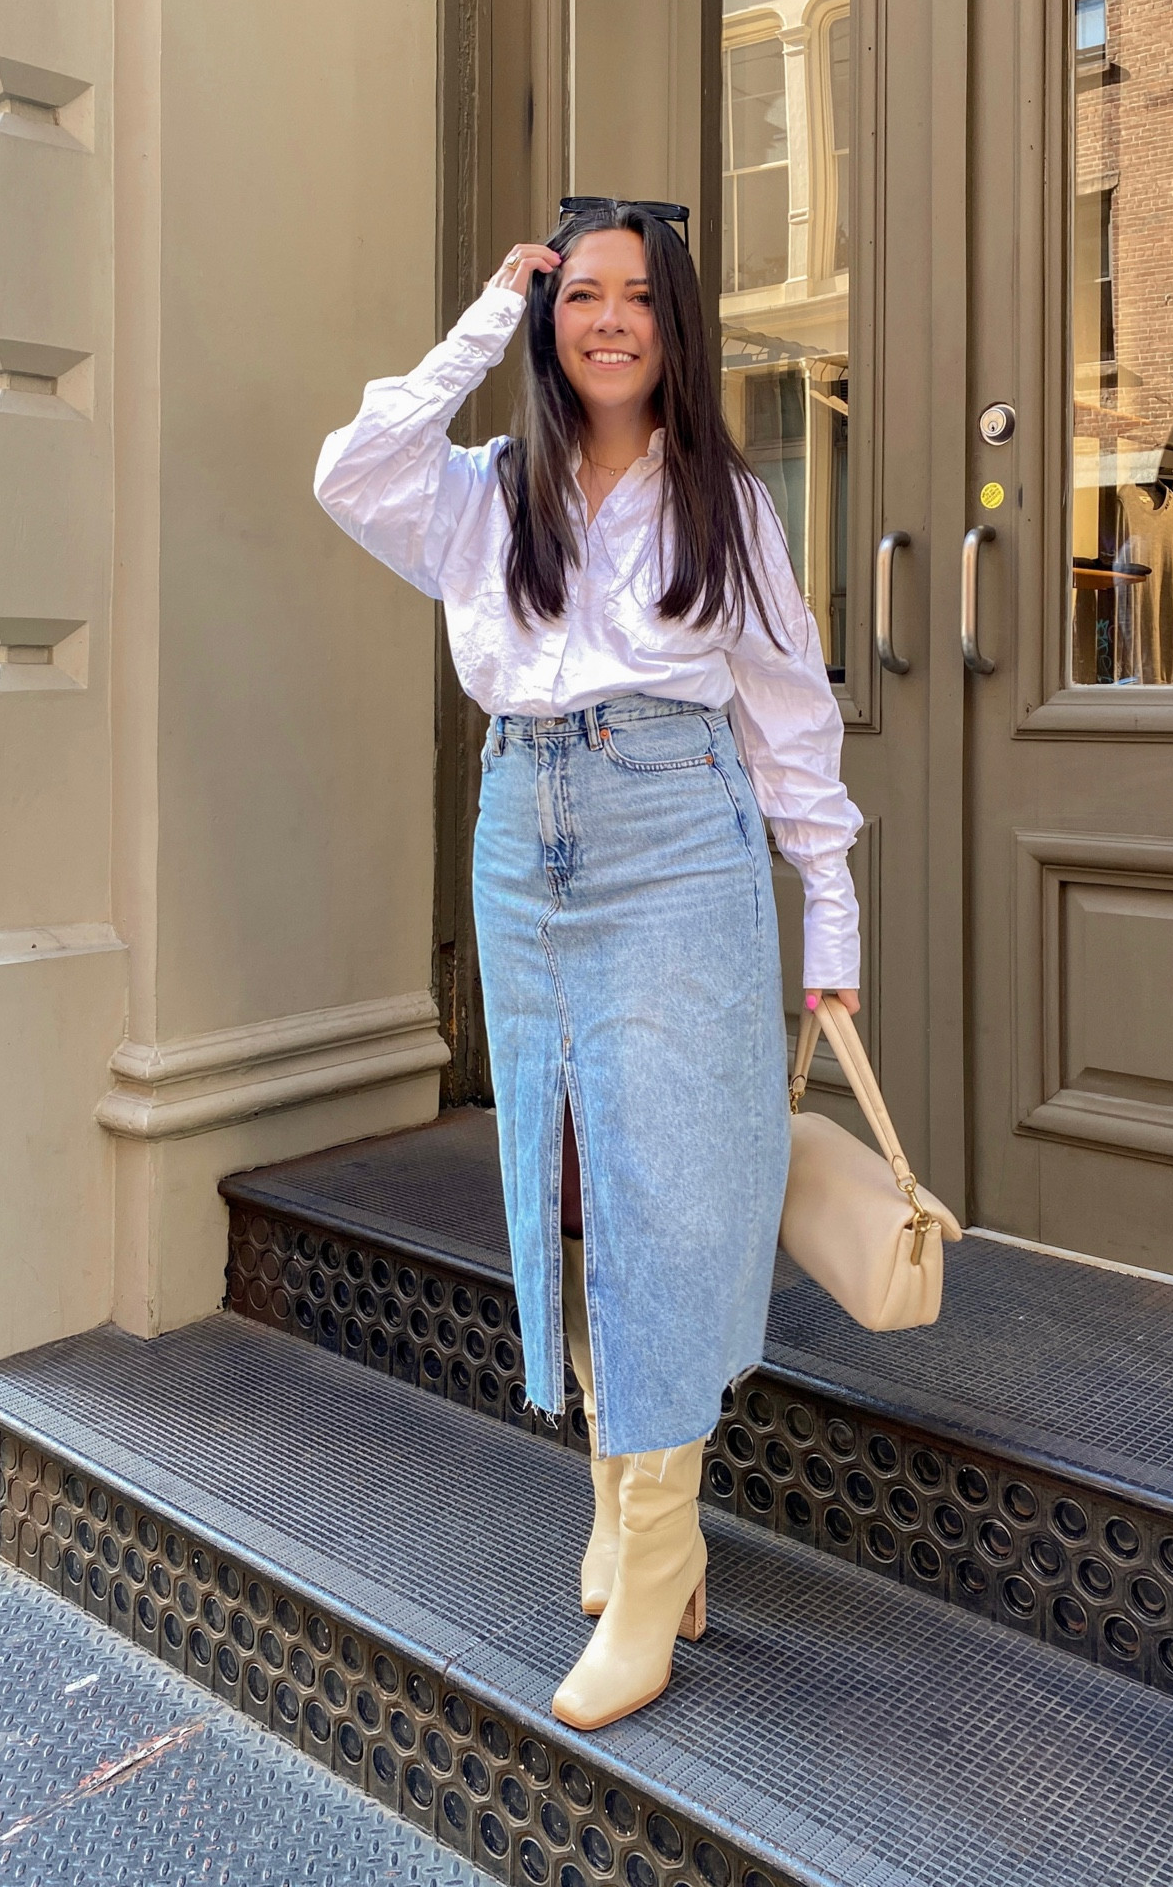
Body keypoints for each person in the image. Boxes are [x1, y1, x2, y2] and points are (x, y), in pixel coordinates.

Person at [313, 199, 862, 1731]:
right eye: (582, 295)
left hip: (676, 829)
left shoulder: (728, 505)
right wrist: (489, 310)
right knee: (570, 1178)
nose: (609, 320)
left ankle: (658, 1544)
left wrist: (834, 923)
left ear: (676, 327)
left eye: (638, 297)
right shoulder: (487, 491)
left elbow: (792, 723)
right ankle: (629, 1517)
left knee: (672, 1184)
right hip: (522, 828)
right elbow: (345, 468)